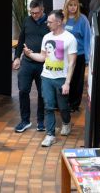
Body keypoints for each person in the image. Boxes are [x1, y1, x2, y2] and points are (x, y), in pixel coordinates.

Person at [24, 10, 77, 147]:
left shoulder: (69, 38)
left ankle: (66, 122)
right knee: (48, 106)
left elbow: (72, 63)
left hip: (61, 78)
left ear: (59, 22)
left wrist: (67, 83)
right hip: (46, 77)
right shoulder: (46, 37)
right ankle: (50, 134)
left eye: (50, 22)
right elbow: (43, 57)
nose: (47, 24)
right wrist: (29, 55)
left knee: (63, 106)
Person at [12, 0, 49, 133]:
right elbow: (21, 39)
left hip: (43, 63)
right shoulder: (27, 20)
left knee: (42, 93)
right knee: (23, 90)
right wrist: (16, 57)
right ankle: (25, 120)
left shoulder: (48, 23)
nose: (34, 15)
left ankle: (40, 121)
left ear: (42, 10)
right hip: (27, 63)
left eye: (37, 13)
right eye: (32, 13)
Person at [63, 0, 91, 112]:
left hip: (78, 55)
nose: (73, 7)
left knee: (77, 80)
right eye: (70, 5)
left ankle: (74, 104)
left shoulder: (83, 19)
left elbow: (87, 39)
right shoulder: (62, 19)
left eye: (75, 5)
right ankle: (65, 102)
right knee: (65, 78)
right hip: (64, 55)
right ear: (66, 6)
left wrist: (87, 57)